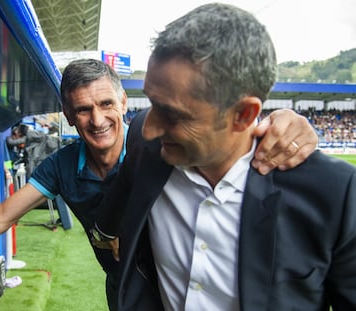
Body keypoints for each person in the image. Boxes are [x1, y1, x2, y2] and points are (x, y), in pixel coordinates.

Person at [0, 58, 316, 310]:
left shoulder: (160, 143)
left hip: (191, 287)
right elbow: (1, 215)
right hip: (126, 290)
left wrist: (282, 120)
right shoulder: (61, 166)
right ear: (69, 116)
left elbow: (223, 132)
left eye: (106, 104)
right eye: (83, 109)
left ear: (123, 102)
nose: (98, 119)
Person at [93, 3, 356, 311]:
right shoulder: (145, 143)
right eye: (152, 103)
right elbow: (113, 220)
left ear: (244, 115)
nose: (149, 129)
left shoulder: (333, 192)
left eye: (172, 114)